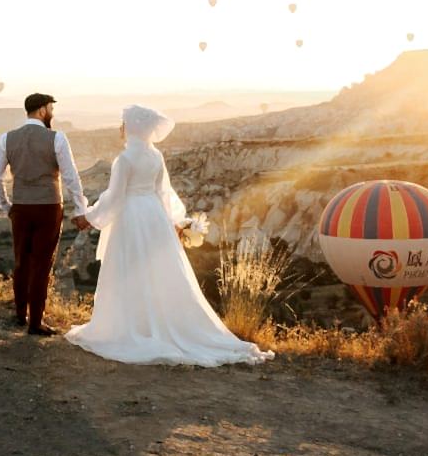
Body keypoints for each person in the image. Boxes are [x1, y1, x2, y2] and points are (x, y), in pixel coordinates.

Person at [65, 104, 274, 367]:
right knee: (158, 270)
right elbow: (165, 193)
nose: (121, 128)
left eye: (123, 123)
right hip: (154, 217)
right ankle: (163, 322)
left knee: (130, 269)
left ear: (132, 127)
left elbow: (115, 199)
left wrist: (90, 217)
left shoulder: (125, 160)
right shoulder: (156, 157)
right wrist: (175, 221)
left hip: (131, 218)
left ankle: (134, 326)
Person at [0, 93, 90, 336]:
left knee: (21, 261)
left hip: (21, 207)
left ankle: (19, 315)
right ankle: (36, 322)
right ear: (43, 110)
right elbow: (70, 176)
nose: (51, 112)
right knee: (42, 264)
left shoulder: (7, 138)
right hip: (48, 207)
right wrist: (80, 209)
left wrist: (7, 207)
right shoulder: (56, 138)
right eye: (50, 108)